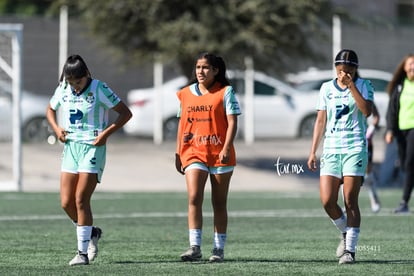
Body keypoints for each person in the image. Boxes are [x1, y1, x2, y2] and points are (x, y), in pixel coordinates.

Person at [46, 54, 132, 266]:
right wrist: (57, 129)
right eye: (71, 82)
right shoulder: (63, 89)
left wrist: (106, 134)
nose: (75, 86)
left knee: (80, 199)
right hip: (70, 148)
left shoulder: (99, 88)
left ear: (87, 75)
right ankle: (91, 232)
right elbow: (50, 109)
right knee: (66, 203)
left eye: (79, 81)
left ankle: (82, 254)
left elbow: (125, 113)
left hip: (93, 148)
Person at [307, 49, 374, 264]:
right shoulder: (326, 88)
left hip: (355, 148)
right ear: (335, 67)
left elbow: (367, 111)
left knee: (350, 200)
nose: (344, 71)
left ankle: (350, 252)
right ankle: (346, 232)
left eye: (349, 68)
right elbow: (320, 121)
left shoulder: (365, 85)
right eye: (340, 67)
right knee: (327, 200)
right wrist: (313, 151)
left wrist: (351, 86)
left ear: (355, 69)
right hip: (331, 150)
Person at [175, 52, 241, 262]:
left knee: (219, 203)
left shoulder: (225, 92)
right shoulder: (184, 93)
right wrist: (178, 152)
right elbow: (182, 125)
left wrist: (227, 147)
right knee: (194, 197)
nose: (200, 71)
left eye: (205, 68)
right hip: (194, 152)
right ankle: (195, 247)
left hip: (220, 154)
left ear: (215, 70)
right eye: (197, 67)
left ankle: (218, 249)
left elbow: (232, 122)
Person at [385, 53, 414, 213]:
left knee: (409, 163)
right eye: (410, 64)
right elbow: (392, 111)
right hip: (401, 131)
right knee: (405, 164)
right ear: (404, 67)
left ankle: (404, 202)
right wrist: (389, 130)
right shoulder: (400, 86)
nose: (413, 67)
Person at [364, 103, 381, 213]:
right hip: (347, 142)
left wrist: (372, 128)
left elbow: (376, 115)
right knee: (344, 174)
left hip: (364, 141)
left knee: (367, 173)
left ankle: (374, 198)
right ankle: (347, 203)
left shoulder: (363, 92)